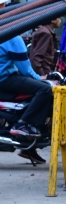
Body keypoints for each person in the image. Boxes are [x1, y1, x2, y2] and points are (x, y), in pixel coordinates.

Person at [0, 35, 52, 163]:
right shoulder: (12, 37)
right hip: (4, 79)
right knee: (45, 89)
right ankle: (21, 124)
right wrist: (42, 80)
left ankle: (28, 148)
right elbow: (26, 70)